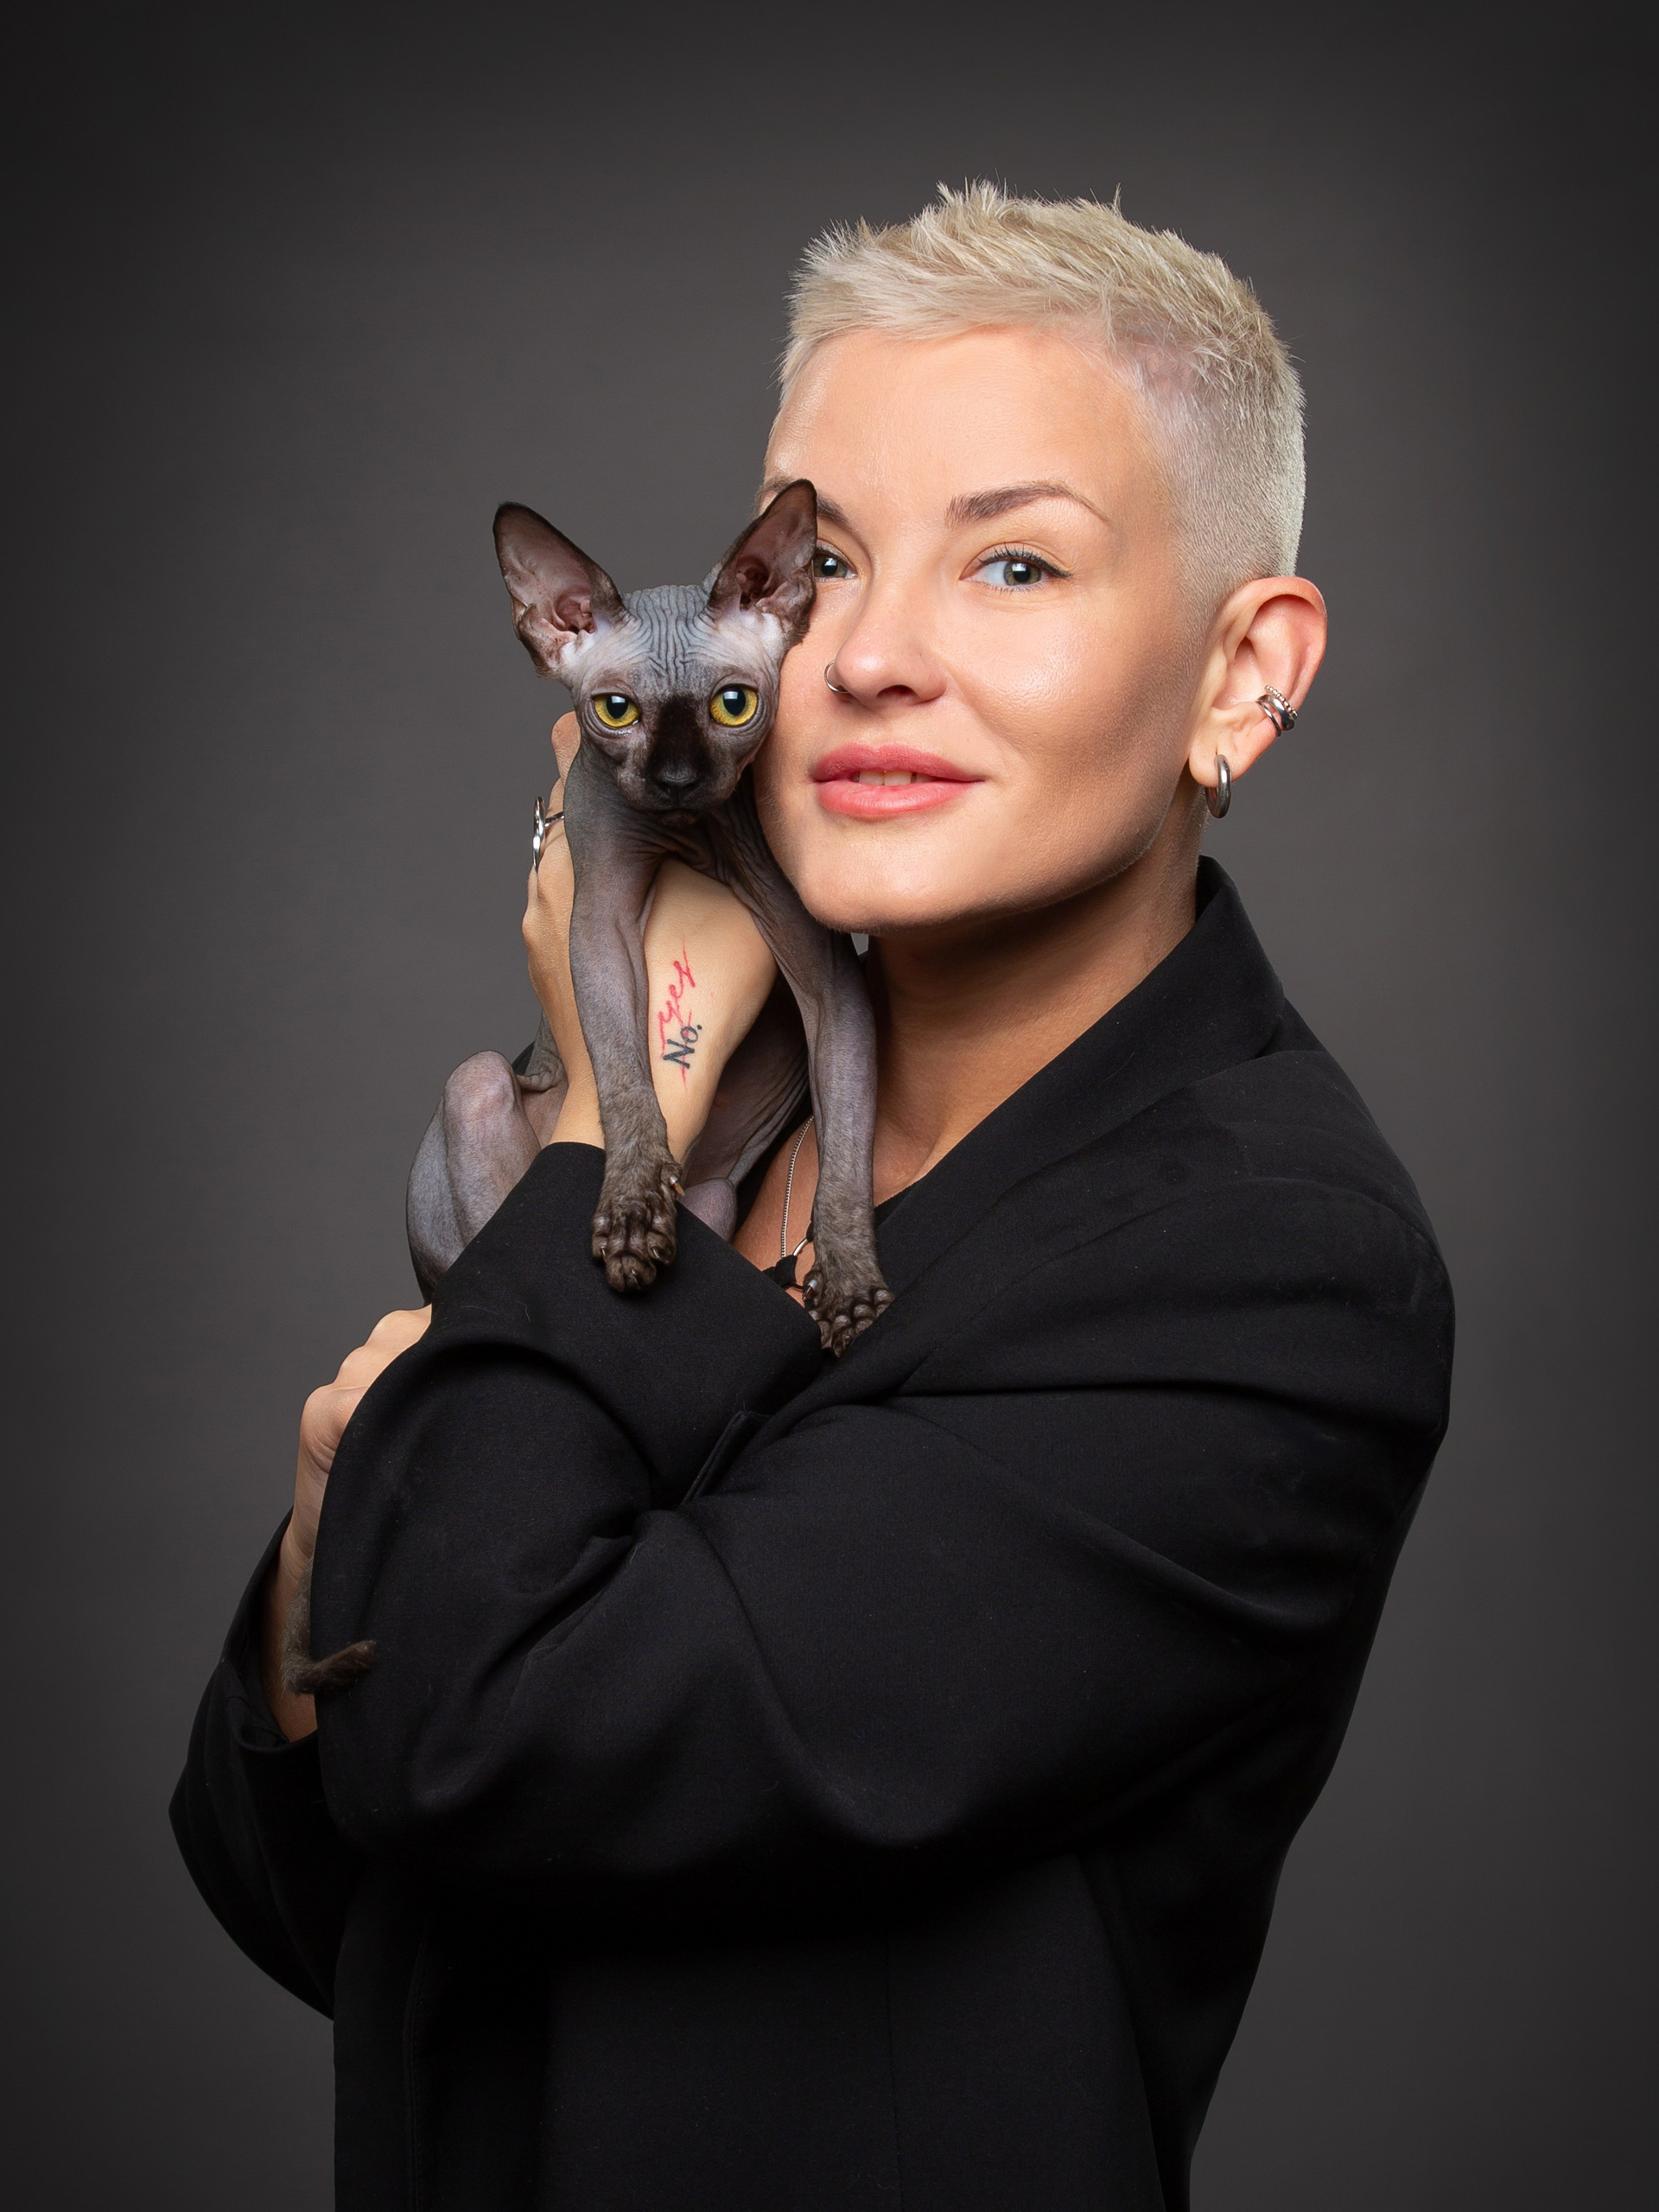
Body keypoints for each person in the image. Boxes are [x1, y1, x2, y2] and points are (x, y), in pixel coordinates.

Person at [173, 186, 1453, 2212]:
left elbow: (473, 1743)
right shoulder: (738, 1117)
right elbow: (307, 1881)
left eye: (1013, 560)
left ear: (1242, 674)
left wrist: (614, 1095)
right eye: (822, 562)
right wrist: (325, 1582)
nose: (863, 656)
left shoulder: (1272, 1265)